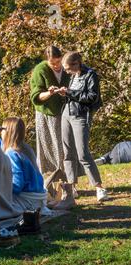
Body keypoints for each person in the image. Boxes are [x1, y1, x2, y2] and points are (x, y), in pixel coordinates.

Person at [57, 51, 109, 204]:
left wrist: (70, 92)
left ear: (76, 64)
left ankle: (99, 187)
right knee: (67, 153)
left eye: (67, 68)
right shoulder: (74, 75)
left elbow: (92, 98)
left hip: (81, 116)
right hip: (66, 114)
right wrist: (64, 92)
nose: (66, 71)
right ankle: (71, 187)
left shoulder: (90, 75)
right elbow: (73, 95)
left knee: (83, 154)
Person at [30, 46, 71, 175]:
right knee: (53, 147)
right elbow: (36, 96)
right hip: (47, 114)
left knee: (67, 146)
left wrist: (66, 93)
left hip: (66, 111)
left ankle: (69, 179)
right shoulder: (40, 70)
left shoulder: (67, 67)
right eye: (52, 63)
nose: (56, 65)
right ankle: (53, 179)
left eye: (58, 62)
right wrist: (50, 93)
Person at [0, 117, 50, 216]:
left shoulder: (11, 153)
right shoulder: (26, 148)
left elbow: (18, 185)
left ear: (7, 131)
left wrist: (0, 187)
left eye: (1, 129)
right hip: (39, 197)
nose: (0, 132)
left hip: (27, 200)